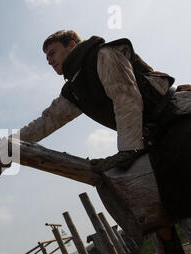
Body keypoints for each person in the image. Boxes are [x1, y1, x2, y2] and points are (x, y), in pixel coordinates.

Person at [17, 30, 191, 222]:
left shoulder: (103, 54)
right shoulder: (74, 90)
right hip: (155, 135)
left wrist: (128, 150)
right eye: (47, 57)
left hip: (180, 115)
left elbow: (126, 98)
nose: (49, 60)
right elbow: (47, 121)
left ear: (72, 45)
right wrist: (9, 143)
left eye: (52, 53)